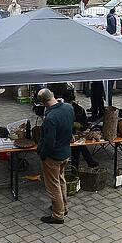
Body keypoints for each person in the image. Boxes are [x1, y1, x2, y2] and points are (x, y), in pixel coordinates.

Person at [36, 88, 73, 224]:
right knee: (61, 180)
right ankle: (64, 207)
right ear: (52, 95)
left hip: (54, 157)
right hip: (66, 153)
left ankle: (58, 215)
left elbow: (49, 143)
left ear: (43, 103)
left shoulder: (50, 118)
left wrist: (42, 155)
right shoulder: (69, 108)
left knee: (53, 187)